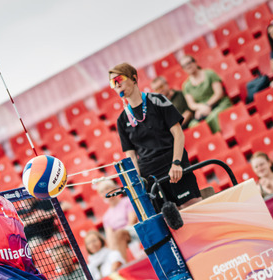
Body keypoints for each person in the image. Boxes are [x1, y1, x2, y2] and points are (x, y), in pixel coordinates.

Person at [111, 62, 201, 208]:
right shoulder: (122, 120)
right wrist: (138, 182)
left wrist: (176, 163)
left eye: (119, 80)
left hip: (173, 164)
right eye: (112, 83)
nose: (116, 85)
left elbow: (178, 134)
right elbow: (131, 156)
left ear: (133, 79)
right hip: (151, 176)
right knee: (170, 219)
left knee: (193, 208)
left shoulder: (158, 100)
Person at [178, 55, 233, 134]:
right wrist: (201, 107)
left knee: (213, 117)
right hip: (203, 110)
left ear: (195, 63)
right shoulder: (186, 86)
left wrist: (207, 105)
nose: (188, 67)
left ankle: (222, 139)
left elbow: (219, 93)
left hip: (219, 104)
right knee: (193, 125)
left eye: (189, 63)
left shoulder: (209, 73)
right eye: (185, 66)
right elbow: (191, 104)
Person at [93, 176, 139, 265]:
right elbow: (109, 236)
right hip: (118, 239)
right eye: (102, 191)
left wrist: (120, 235)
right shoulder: (106, 217)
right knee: (112, 241)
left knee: (119, 234)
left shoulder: (126, 201)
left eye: (107, 188)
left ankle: (121, 265)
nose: (105, 192)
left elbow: (132, 220)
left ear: (114, 189)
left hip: (132, 231)